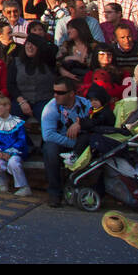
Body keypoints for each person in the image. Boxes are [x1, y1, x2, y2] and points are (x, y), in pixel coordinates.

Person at [40, 79, 92, 207]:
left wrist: (80, 124)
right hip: (60, 142)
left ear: (72, 94)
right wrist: (73, 143)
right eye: (54, 91)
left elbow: (95, 123)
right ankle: (54, 193)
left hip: (81, 140)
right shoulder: (51, 108)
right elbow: (48, 135)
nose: (55, 95)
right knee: (50, 149)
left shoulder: (85, 104)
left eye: (60, 92)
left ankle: (94, 190)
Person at [8, 34, 56, 142]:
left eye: (34, 45)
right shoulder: (16, 62)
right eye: (28, 44)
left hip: (43, 99)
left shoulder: (48, 61)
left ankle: (47, 146)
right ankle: (26, 145)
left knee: (48, 117)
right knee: (12, 118)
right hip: (22, 99)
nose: (30, 47)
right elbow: (11, 85)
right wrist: (22, 101)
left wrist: (28, 36)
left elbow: (53, 48)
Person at [0, 94, 31, 196]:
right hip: (1, 152)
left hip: (16, 151)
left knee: (13, 163)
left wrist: (10, 152)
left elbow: (21, 140)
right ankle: (3, 183)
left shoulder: (17, 122)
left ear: (7, 106)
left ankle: (24, 186)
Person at [58, 19, 96, 84]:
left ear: (80, 29)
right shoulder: (67, 46)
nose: (68, 31)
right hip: (69, 82)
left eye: (71, 28)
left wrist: (81, 60)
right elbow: (57, 62)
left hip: (90, 81)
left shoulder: (94, 46)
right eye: (68, 29)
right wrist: (65, 72)